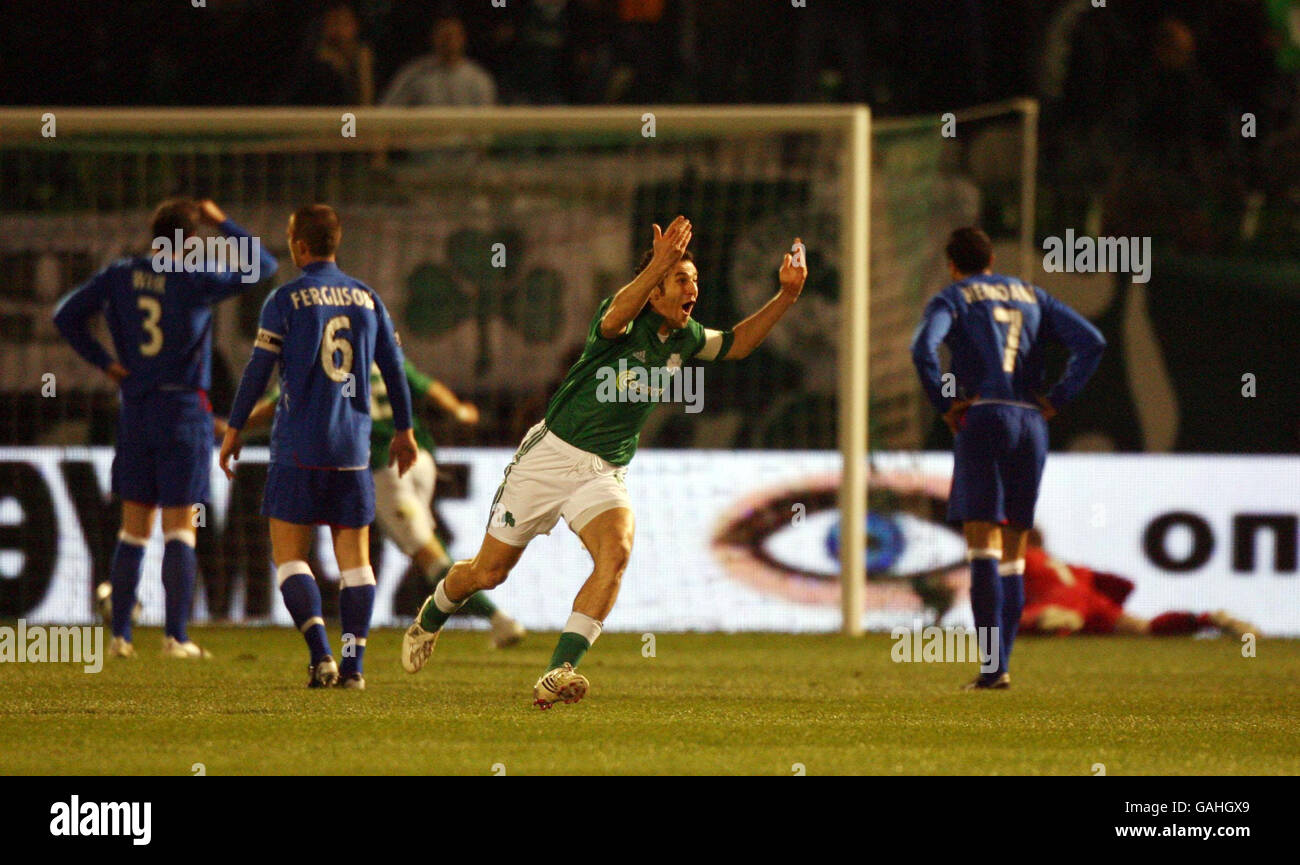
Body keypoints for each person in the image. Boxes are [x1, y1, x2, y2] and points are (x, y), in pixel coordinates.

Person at [401, 215, 809, 708]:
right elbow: (617, 312)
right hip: (548, 458)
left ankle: (558, 670)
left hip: (603, 471)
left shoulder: (684, 337)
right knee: (488, 574)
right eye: (682, 279)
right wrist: (659, 261)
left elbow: (739, 344)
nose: (692, 288)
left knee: (615, 554)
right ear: (654, 291)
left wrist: (786, 296)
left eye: (695, 280)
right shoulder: (620, 323)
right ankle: (434, 612)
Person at [53, 198, 275, 660]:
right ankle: (175, 637)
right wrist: (223, 222)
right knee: (181, 529)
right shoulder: (195, 278)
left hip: (135, 410)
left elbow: (65, 316)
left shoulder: (120, 275)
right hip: (183, 413)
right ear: (191, 240)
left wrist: (108, 365)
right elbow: (264, 266)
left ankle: (120, 636)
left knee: (133, 528)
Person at [220, 204, 417, 689]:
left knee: (289, 556)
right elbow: (394, 369)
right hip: (352, 448)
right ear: (336, 241)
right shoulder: (368, 299)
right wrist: (405, 430)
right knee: (357, 563)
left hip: (298, 447)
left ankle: (321, 655)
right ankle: (354, 668)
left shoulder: (285, 299)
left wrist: (235, 427)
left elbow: (257, 372)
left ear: (298, 245)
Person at [911, 227, 1106, 690]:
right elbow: (1092, 342)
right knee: (1015, 552)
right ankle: (1004, 664)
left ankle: (993, 668)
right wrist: (1058, 396)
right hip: (1030, 423)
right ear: (992, 258)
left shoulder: (953, 296)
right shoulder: (1032, 294)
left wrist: (944, 403)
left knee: (982, 542)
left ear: (952, 264)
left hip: (982, 417)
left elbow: (923, 349)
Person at [244, 359, 526, 646]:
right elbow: (429, 388)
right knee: (429, 546)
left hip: (385, 468)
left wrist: (232, 428)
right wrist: (459, 410)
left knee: (428, 555)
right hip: (420, 459)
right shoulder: (378, 356)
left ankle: (499, 621)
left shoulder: (319, 364)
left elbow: (272, 407)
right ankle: (483, 617)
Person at [1020, 531, 1257, 639]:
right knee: (1146, 629)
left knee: (1017, 624)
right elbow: (1121, 584)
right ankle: (1206, 619)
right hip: (1094, 602)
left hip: (1054, 603)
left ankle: (1051, 622)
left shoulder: (1023, 559)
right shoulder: (1067, 566)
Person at [381, 14, 496, 106]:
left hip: (464, 135)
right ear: (434, 38)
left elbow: (486, 127)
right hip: (423, 134)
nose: (448, 42)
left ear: (462, 39)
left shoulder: (478, 78)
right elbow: (388, 110)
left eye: (451, 36)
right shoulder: (413, 75)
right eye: (443, 36)